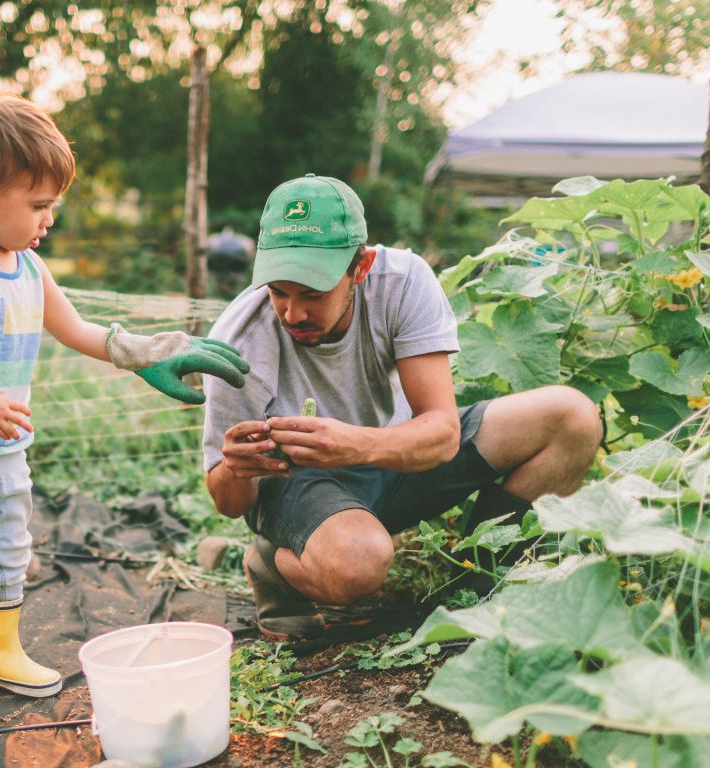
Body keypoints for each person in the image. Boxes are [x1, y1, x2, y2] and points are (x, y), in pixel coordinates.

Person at [0, 89, 249, 729]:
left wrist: (142, 351)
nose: (48, 219)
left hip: (6, 452)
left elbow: (76, 329)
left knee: (9, 551)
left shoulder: (28, 265)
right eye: (39, 205)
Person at [202, 174, 601, 640]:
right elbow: (229, 505)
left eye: (313, 293)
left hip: (397, 456)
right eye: (279, 292)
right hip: (303, 485)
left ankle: (480, 584)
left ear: (361, 267)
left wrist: (354, 444)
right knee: (357, 564)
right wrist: (235, 468)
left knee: (571, 417)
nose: (293, 314)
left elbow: (443, 434)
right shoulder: (236, 341)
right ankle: (272, 566)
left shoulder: (403, 282)